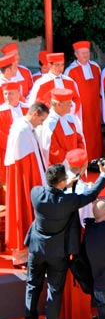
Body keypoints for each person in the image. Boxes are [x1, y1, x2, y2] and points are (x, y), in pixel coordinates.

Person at [24, 161, 105, 319]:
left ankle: (30, 318)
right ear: (62, 182)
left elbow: (51, 194)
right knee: (54, 291)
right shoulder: (68, 201)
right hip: (57, 253)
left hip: (36, 248)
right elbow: (91, 194)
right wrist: (103, 174)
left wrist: (63, 186)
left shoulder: (35, 193)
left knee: (32, 285)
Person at [4, 102, 49, 253]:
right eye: (41, 120)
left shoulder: (26, 127)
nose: (41, 124)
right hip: (25, 180)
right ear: (35, 114)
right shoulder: (22, 130)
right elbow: (25, 162)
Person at [65, 41, 103, 161]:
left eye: (87, 52)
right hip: (81, 110)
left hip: (95, 107)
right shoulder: (70, 71)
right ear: (76, 54)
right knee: (84, 133)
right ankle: (85, 160)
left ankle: (97, 158)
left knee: (96, 132)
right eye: (82, 53)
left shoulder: (95, 67)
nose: (86, 55)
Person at [40, 88, 85, 166]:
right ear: (58, 104)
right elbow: (53, 150)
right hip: (60, 169)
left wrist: (80, 157)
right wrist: (72, 160)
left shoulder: (71, 118)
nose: (71, 105)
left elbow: (80, 139)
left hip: (76, 165)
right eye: (69, 103)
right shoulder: (49, 123)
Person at [0, 82, 29, 186]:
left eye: (11, 93)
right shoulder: (1, 111)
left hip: (28, 150)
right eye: (5, 94)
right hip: (7, 152)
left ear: (18, 93)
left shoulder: (28, 109)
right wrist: (14, 144)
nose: (8, 97)